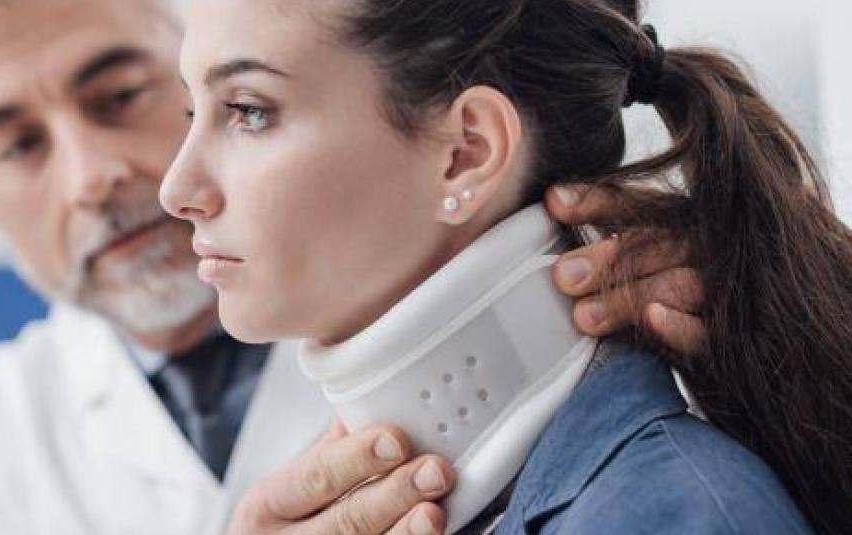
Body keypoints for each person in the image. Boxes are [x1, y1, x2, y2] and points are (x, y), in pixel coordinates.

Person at [0, 0, 708, 533]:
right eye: (18, 146)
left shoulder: (658, 439)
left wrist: (747, 317)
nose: (91, 178)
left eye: (120, 95)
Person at [160, 0, 852, 533]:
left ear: (468, 151)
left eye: (248, 112)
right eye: (193, 112)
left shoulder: (671, 513)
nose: (177, 189)